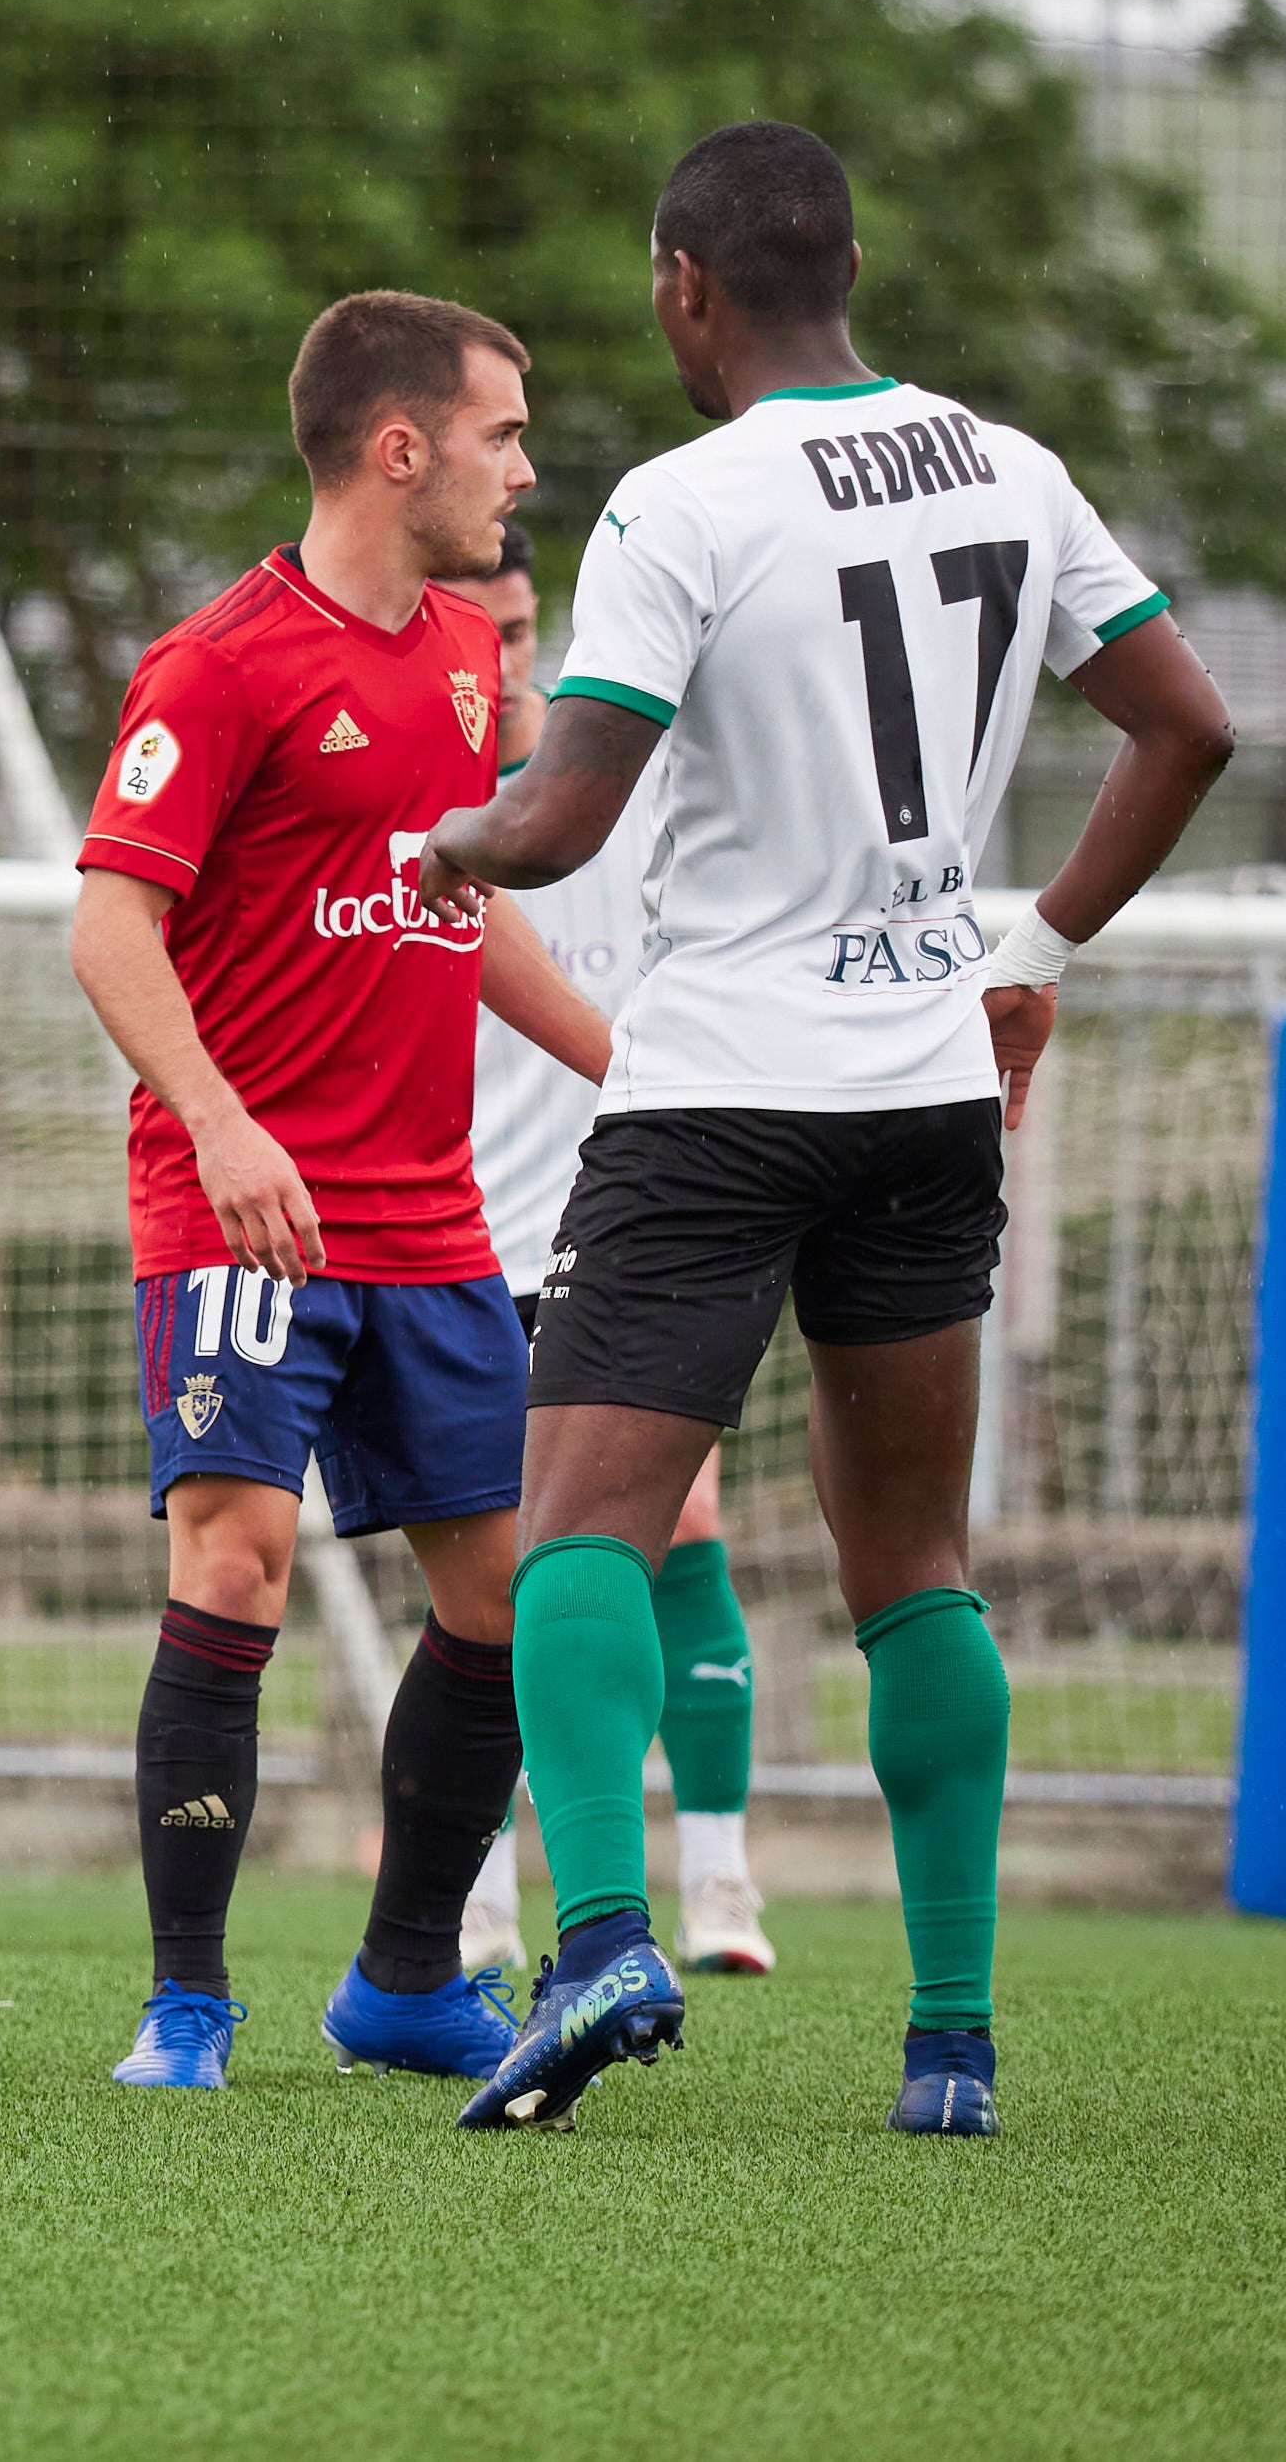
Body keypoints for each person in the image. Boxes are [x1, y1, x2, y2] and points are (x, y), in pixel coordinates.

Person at [415, 122, 1233, 2136]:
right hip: (924, 1084)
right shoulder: (1008, 467)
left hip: (712, 1087)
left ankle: (598, 1937)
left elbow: (559, 819)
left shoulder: (677, 503)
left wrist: (431, 837)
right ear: (842, 266)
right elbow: (1187, 725)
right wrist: (1025, 943)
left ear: (685, 286)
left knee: (577, 1525)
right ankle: (946, 2039)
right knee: (909, 1567)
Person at [68, 291, 615, 2094]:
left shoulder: (472, 652)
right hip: (240, 1210)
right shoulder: (218, 664)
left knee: (503, 1598)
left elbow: (463, 903)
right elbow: (110, 921)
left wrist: (626, 1059)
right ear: (403, 447)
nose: (523, 470)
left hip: (430, 1219)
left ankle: (398, 1977)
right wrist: (222, 1124)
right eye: (503, 434)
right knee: (239, 1550)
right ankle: (188, 2001)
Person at [448, 521, 772, 1981]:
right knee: (482, 1576)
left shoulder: (625, 799)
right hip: (453, 1232)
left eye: (526, 631)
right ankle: (477, 1896)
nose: (507, 661)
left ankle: (717, 1875)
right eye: (481, 630)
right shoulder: (407, 804)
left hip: (624, 1223)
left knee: (683, 1524)